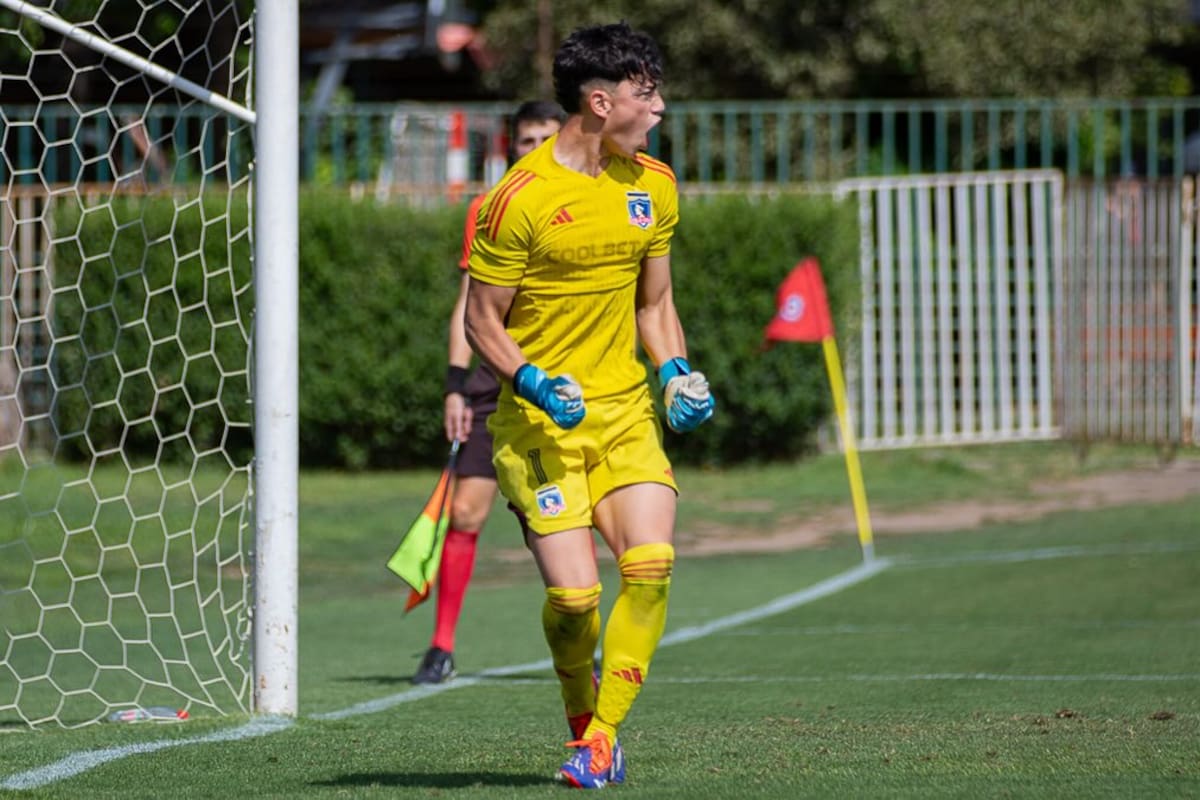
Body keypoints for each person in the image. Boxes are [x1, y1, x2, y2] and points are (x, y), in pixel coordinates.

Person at [464, 22, 715, 789]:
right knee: (574, 599)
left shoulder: (653, 186)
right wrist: (535, 382)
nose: (662, 107)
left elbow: (656, 304)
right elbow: (482, 322)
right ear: (601, 103)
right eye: (648, 94)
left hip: (624, 417)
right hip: (538, 426)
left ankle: (601, 742)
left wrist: (675, 372)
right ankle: (582, 725)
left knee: (651, 564)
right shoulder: (517, 201)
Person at [412, 100, 566, 686]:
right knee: (466, 512)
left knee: (555, 520)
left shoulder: (585, 203)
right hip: (490, 384)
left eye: (544, 138)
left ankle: (577, 629)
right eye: (525, 140)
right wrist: (455, 386)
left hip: (560, 385)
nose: (534, 149)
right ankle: (441, 646)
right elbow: (469, 307)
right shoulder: (489, 209)